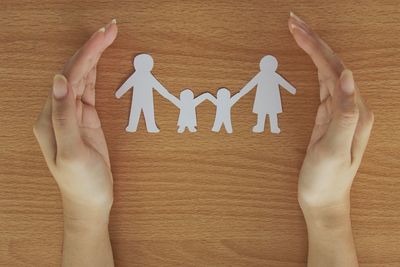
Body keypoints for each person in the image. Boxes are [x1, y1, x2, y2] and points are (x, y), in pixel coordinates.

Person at [33, 12, 374, 267]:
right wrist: (327, 210)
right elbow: (224, 91)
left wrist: (84, 213)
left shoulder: (151, 80)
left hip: (243, 107)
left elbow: (239, 90)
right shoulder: (144, 78)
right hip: (188, 108)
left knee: (254, 117)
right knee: (146, 116)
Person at [115, 53, 177, 133]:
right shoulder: (140, 76)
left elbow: (158, 87)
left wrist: (118, 94)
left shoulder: (145, 76)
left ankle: (148, 126)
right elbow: (127, 84)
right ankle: (133, 126)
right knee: (136, 111)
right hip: (139, 99)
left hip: (144, 99)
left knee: (145, 112)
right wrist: (119, 93)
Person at [239, 55, 297, 134]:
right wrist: (242, 92)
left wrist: (292, 90)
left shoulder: (272, 75)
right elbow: (251, 84)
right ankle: (262, 126)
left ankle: (272, 127)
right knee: (264, 112)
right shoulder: (264, 75)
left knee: (269, 113)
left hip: (269, 99)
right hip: (266, 99)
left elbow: (284, 83)